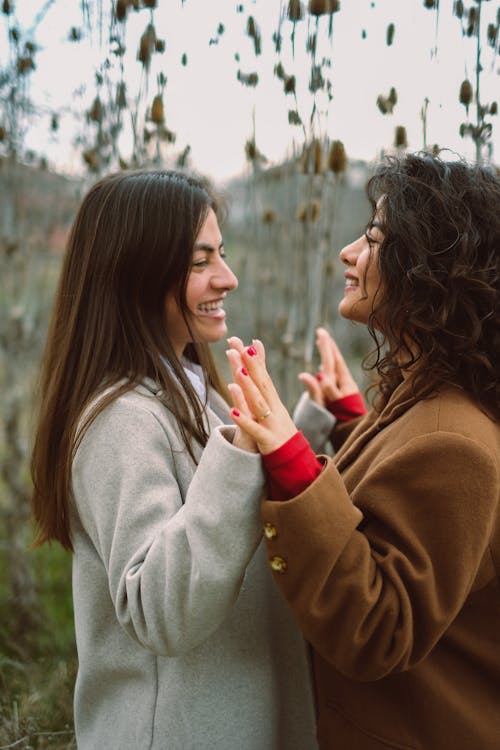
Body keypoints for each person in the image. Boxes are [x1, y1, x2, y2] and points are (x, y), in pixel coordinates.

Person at [30, 169, 317, 750]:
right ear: (135, 271)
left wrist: (310, 425)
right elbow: (160, 609)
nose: (228, 278)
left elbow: (206, 494)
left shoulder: (186, 387)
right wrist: (241, 453)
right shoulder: (121, 421)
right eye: (199, 261)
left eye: (223, 254)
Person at [226, 152, 500, 750]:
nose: (349, 253)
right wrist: (356, 426)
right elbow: (407, 508)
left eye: (374, 239)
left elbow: (379, 626)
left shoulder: (455, 440)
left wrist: (293, 465)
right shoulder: (430, 398)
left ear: (430, 269)